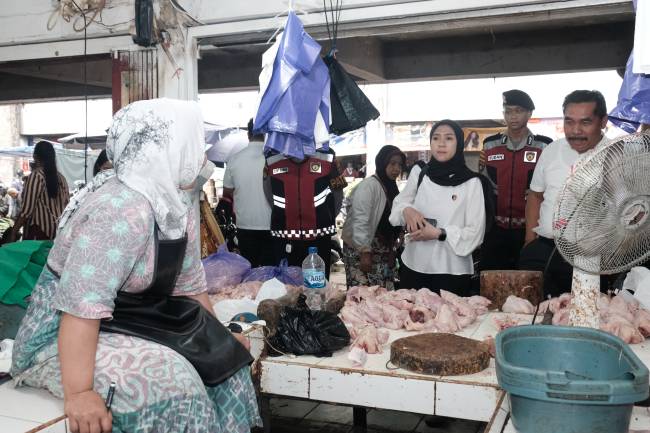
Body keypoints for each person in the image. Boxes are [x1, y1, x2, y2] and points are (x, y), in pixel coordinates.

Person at [10, 99, 261, 433]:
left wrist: (222, 338)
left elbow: (190, 287)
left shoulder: (176, 203)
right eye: (193, 143)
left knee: (230, 370)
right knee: (176, 386)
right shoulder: (121, 208)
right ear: (164, 149)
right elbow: (81, 307)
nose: (201, 157)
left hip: (132, 323)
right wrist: (80, 392)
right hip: (63, 338)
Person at [519, 90, 609, 296]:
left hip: (591, 257)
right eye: (569, 121)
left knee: (583, 310)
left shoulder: (617, 156)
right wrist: (530, 240)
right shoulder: (552, 150)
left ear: (603, 121)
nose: (575, 130)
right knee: (530, 307)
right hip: (544, 248)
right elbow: (535, 195)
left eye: (585, 122)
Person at [390, 120, 493, 295]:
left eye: (449, 138)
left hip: (452, 271)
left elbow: (475, 232)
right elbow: (397, 207)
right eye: (436, 138)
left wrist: (439, 233)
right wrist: (407, 210)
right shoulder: (420, 173)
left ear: (459, 144)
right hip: (414, 266)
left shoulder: (472, 182)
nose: (441, 143)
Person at [479, 90, 552, 271]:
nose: (513, 116)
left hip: (530, 231)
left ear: (529, 113)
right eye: (508, 111)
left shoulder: (544, 146)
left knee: (530, 279)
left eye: (518, 111)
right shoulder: (490, 145)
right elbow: (483, 187)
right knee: (492, 280)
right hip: (495, 231)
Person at [266, 148, 347, 278]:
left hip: (319, 237)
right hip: (285, 238)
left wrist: (327, 216)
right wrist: (285, 213)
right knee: (289, 284)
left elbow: (339, 192)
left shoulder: (327, 156)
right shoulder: (272, 159)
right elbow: (269, 194)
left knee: (317, 282)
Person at [342, 145, 406, 290]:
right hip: (360, 249)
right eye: (392, 164)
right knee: (362, 294)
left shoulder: (391, 187)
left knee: (383, 295)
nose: (397, 169)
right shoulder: (369, 186)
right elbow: (360, 219)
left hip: (381, 251)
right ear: (382, 163)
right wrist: (365, 252)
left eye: (400, 165)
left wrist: (392, 249)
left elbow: (394, 223)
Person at [222, 118, 275, 267]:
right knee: (270, 272)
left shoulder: (234, 160)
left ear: (248, 134)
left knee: (250, 270)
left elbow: (227, 192)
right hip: (271, 224)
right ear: (265, 133)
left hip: (245, 224)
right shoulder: (273, 159)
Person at [8, 141, 69, 241]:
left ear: (35, 157)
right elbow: (67, 205)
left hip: (39, 232)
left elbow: (26, 211)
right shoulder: (61, 178)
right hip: (58, 233)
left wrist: (13, 232)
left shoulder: (36, 176)